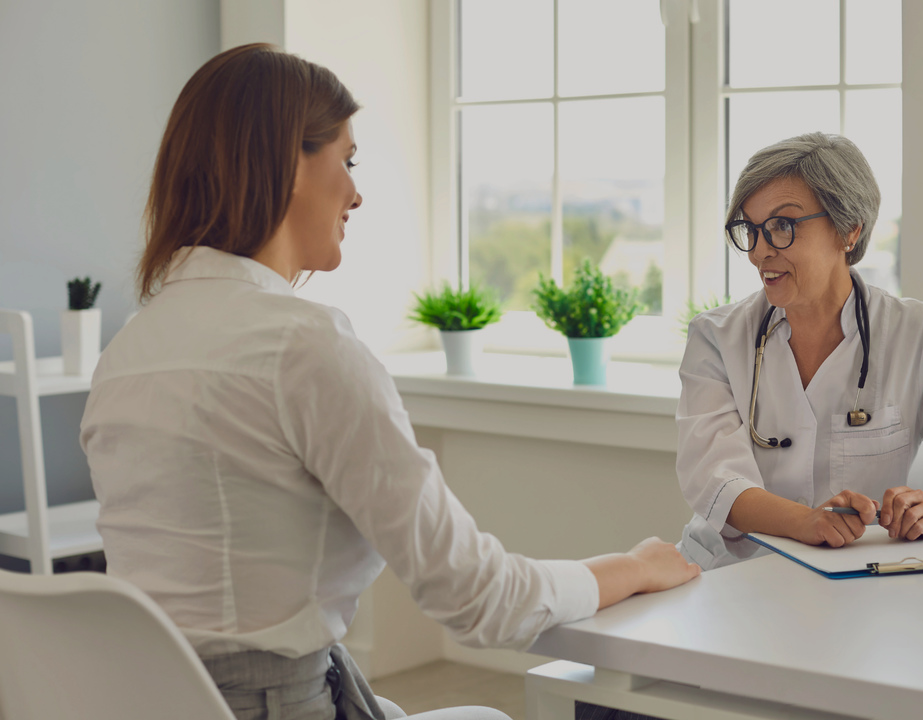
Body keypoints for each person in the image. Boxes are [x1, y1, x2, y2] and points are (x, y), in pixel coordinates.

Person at [79, 44, 699, 720]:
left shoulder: (130, 349)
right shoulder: (304, 346)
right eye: (344, 161)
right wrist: (631, 567)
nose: (356, 191)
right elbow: (478, 599)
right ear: (288, 161)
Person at [676, 132, 923, 571]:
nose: (760, 251)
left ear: (849, 229)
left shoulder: (917, 334)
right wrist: (805, 522)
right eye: (749, 229)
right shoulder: (715, 337)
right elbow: (714, 481)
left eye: (782, 226)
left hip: (866, 589)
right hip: (731, 576)